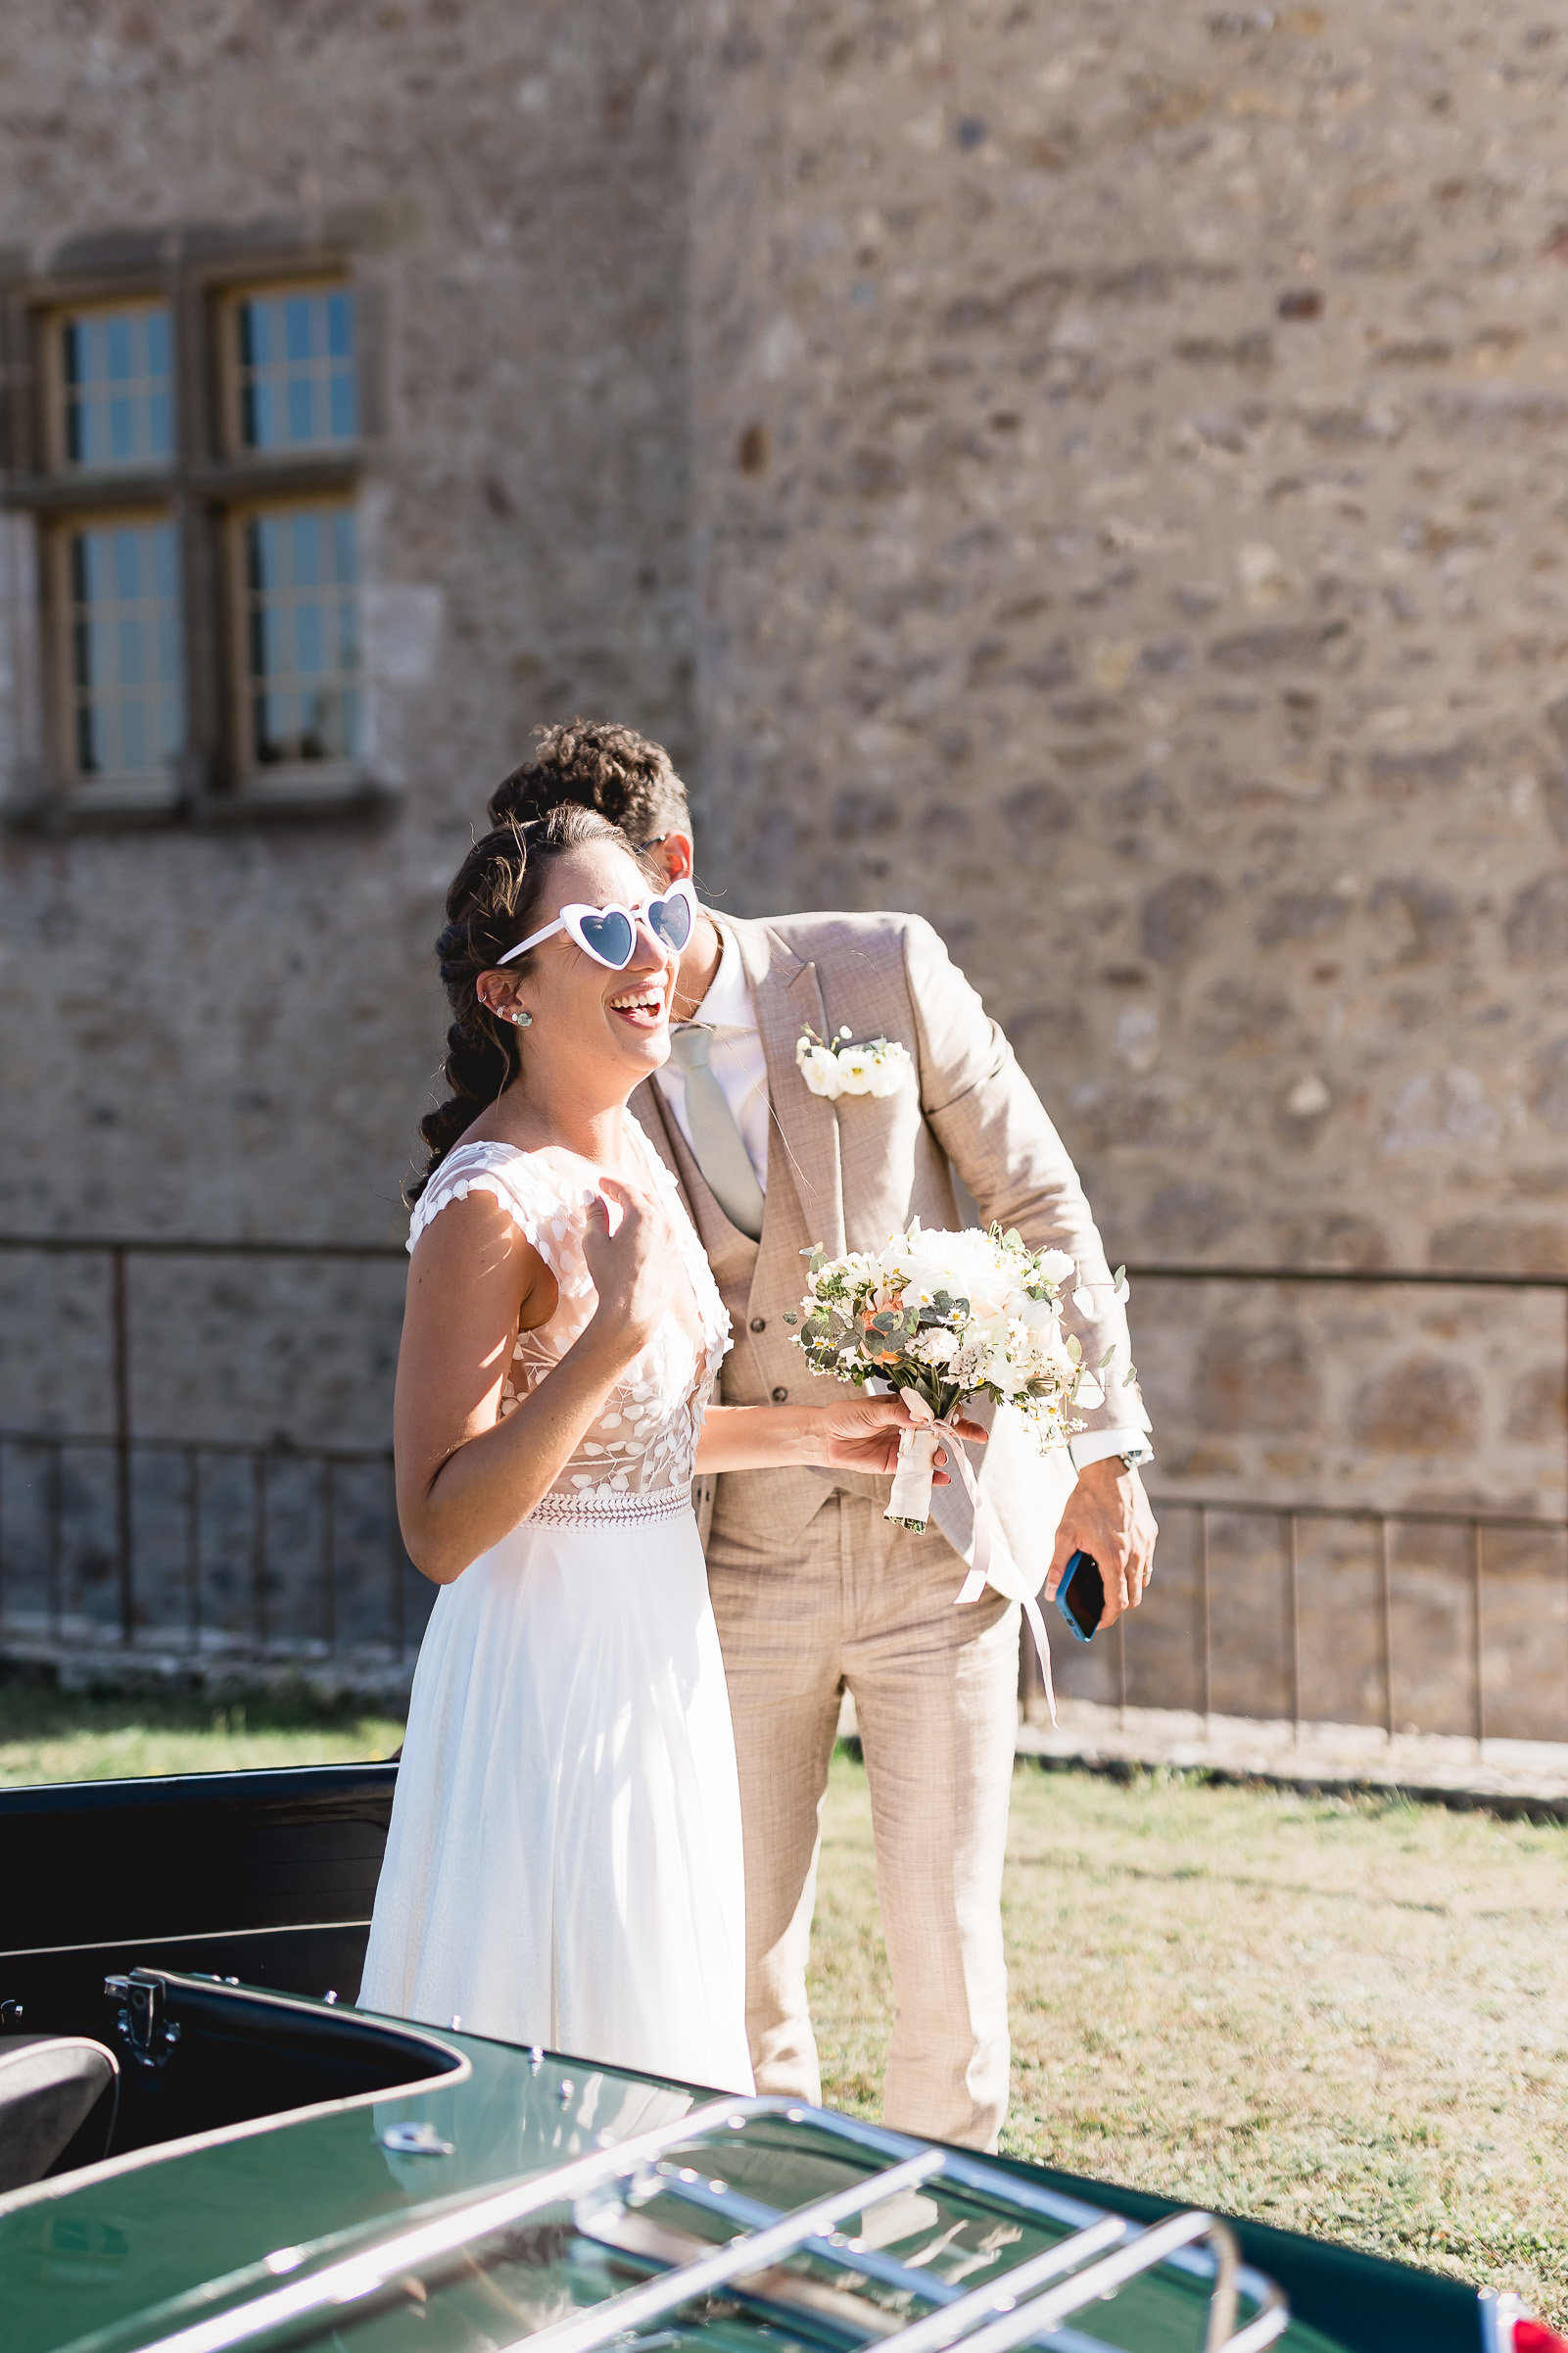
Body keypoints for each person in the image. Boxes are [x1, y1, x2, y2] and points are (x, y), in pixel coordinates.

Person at [490, 723, 1158, 2151]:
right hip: (731, 1570)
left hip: (945, 1540)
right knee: (730, 1957)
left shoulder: (875, 967)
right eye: (574, 934)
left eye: (625, 913)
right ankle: (767, 2243)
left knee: (948, 1954)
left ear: (674, 867)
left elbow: (1039, 1204)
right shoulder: (587, 1075)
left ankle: (947, 2251)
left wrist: (1102, 1453)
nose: (612, 957)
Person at [357, 803, 972, 2091]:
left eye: (661, 915)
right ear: (506, 991)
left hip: (658, 1650)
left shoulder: (629, 1136)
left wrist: (817, 1434)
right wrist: (615, 1327)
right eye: (600, 928)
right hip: (547, 1674)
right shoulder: (486, 1204)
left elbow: (623, 1446)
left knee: (661, 2018)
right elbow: (439, 1525)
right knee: (561, 2036)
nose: (647, 953)